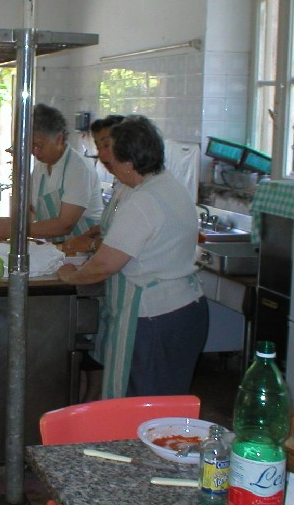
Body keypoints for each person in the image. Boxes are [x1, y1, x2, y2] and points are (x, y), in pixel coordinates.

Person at [56, 115, 207, 399]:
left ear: (128, 163)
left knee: (145, 405)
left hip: (156, 319)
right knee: (167, 404)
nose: (108, 163)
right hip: (184, 310)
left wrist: (71, 276)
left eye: (112, 157)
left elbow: (104, 265)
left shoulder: (143, 201)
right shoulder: (169, 186)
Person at [0, 103, 104, 243]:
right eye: (31, 146)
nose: (35, 152)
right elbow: (32, 212)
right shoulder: (40, 168)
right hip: (57, 248)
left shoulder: (78, 168)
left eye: (39, 145)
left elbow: (65, 225)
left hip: (83, 249)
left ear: (59, 139)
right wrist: (9, 223)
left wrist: (16, 229)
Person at [61, 114, 126, 256]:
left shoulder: (139, 190)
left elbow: (128, 243)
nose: (101, 155)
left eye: (107, 145)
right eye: (98, 147)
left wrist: (92, 244)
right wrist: (101, 229)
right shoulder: (121, 185)